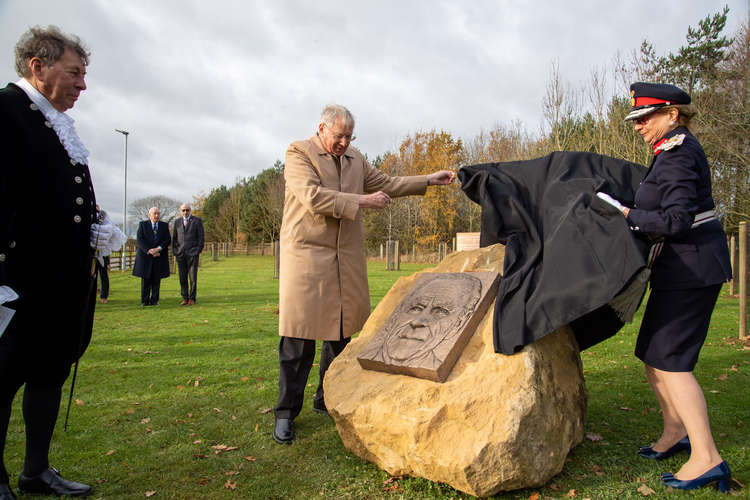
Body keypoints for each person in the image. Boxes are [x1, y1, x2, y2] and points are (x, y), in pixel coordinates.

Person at [273, 104, 455, 444]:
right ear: (322, 129)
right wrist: (361, 202)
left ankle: (327, 398)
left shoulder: (356, 158)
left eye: (348, 136)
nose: (343, 142)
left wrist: (428, 179)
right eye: (338, 135)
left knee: (341, 335)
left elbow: (388, 182)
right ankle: (285, 412)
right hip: (308, 257)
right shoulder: (299, 153)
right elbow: (313, 197)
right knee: (298, 339)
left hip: (346, 258)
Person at [597, 82, 732, 492]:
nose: (639, 126)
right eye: (636, 119)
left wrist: (628, 214)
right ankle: (675, 432)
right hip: (678, 269)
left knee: (672, 363)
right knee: (653, 355)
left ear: (672, 115)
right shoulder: (667, 152)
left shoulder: (678, 156)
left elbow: (674, 221)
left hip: (693, 271)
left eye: (645, 117)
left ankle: (707, 457)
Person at [0, 25, 114, 499]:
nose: (83, 85)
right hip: (16, 283)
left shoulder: (60, 126)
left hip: (60, 285)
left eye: (84, 75)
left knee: (48, 375)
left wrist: (97, 225)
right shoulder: (4, 111)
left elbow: (60, 201)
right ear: (38, 66)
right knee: (2, 381)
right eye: (75, 73)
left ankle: (36, 471)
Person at [133, 207, 171, 306]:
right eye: (154, 213)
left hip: (159, 256)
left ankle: (155, 300)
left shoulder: (164, 225)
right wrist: (149, 250)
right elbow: (140, 240)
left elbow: (167, 240)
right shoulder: (143, 225)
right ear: (149, 215)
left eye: (158, 213)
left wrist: (158, 249)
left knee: (156, 280)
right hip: (146, 257)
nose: (157, 215)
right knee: (146, 280)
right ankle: (144, 301)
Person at [172, 203, 204, 305]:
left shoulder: (197, 221)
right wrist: (176, 251)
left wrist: (197, 251)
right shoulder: (177, 222)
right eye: (183, 210)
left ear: (190, 210)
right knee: (182, 278)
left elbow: (201, 238)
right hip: (180, 255)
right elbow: (174, 239)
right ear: (180, 211)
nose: (185, 212)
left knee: (193, 278)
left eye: (187, 210)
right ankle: (185, 298)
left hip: (193, 254)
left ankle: (192, 298)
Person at [94, 205, 126, 304]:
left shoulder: (103, 215)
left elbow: (110, 230)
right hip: (92, 250)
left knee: (103, 274)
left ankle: (104, 296)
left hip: (102, 251)